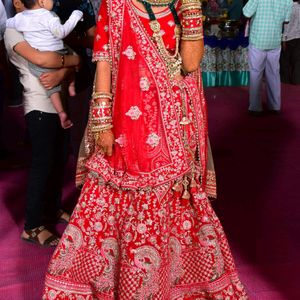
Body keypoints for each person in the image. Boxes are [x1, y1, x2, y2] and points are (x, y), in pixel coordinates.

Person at [43, 0, 248, 298]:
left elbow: (190, 64)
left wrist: (190, 8)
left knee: (174, 206)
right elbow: (104, 60)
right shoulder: (115, 5)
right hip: (127, 128)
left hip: (173, 131)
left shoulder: (180, 6)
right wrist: (102, 120)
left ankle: (172, 285)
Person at [4, 0, 81, 247]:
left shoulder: (42, 22)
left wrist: (61, 71)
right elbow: (44, 60)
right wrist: (65, 65)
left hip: (58, 104)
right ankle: (33, 225)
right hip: (38, 104)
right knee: (42, 164)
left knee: (59, 159)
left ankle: (52, 209)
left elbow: (75, 57)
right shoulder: (13, 30)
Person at [6, 0, 83, 129]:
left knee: (51, 88)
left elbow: (6, 23)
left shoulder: (18, 19)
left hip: (41, 68)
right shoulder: (49, 16)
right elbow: (61, 35)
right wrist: (76, 15)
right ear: (41, 2)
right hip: (39, 104)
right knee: (68, 57)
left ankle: (61, 112)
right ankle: (71, 85)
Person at [243, 0, 293, 115]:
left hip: (258, 39)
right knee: (274, 73)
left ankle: (255, 107)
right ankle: (275, 106)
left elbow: (246, 13)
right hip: (274, 39)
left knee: (256, 73)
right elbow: (286, 20)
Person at [280, 0, 300, 85]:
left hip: (289, 38)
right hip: (298, 37)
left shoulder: (288, 8)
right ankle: (297, 81)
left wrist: (283, 39)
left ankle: (285, 82)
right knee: (297, 62)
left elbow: (286, 25)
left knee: (285, 62)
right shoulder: (299, 7)